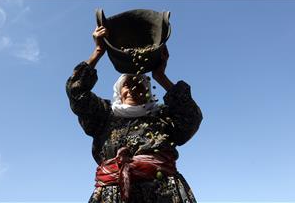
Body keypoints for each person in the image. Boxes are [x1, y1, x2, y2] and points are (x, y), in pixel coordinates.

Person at [66, 26, 203, 203]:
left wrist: (160, 76)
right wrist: (98, 51)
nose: (132, 89)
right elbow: (77, 93)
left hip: (163, 194)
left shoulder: (161, 116)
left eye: (140, 85)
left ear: (148, 92)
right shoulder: (104, 114)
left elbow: (191, 117)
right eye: (127, 84)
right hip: (113, 195)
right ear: (118, 90)